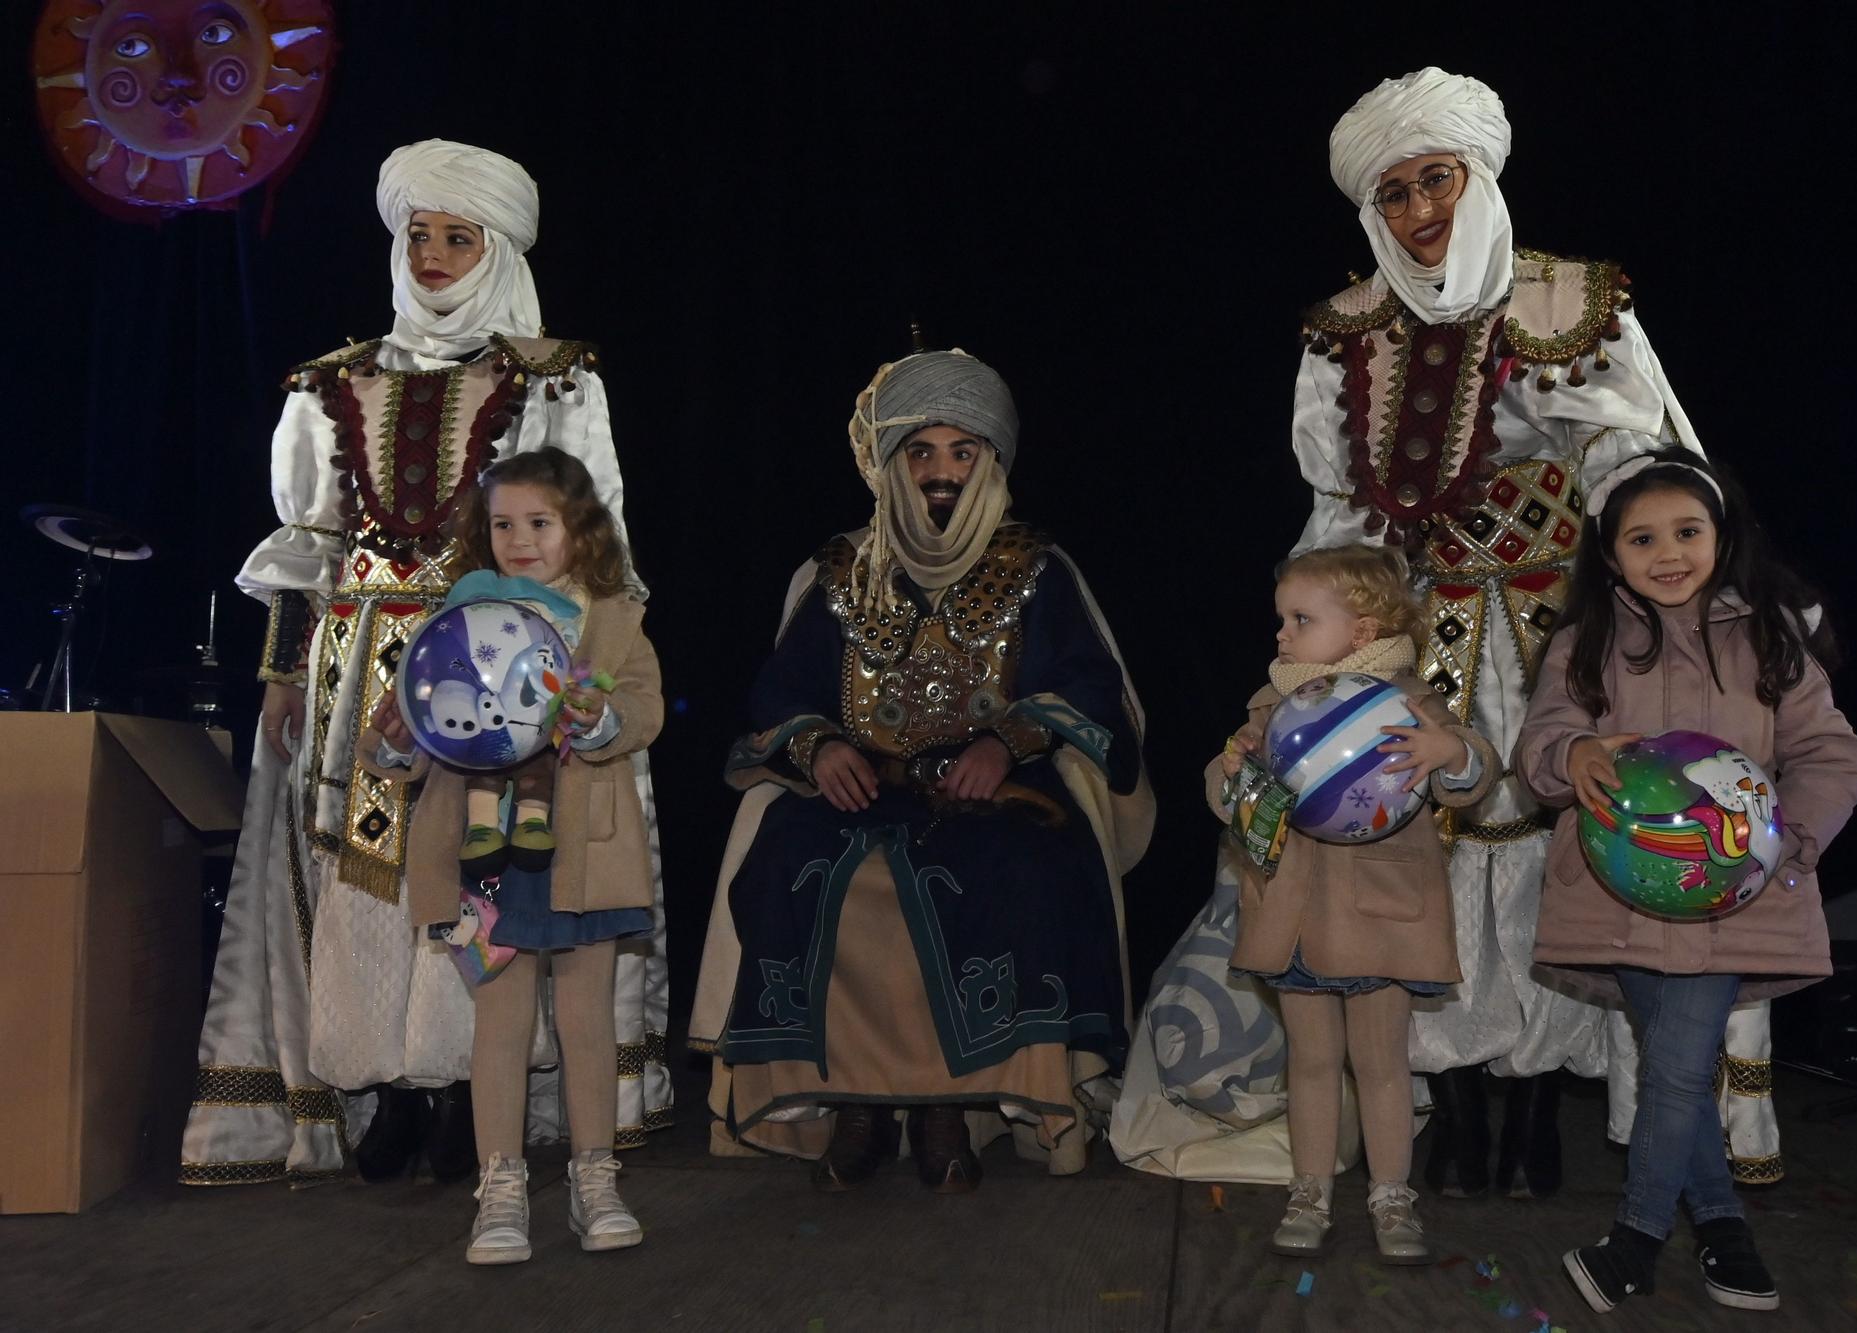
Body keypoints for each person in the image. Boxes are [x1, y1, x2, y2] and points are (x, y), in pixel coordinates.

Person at [182, 139, 671, 1190]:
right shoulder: (329, 384)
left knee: (471, 873)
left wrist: (576, 679)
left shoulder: (553, 381)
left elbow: (591, 543)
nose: (437, 253)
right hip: (356, 667)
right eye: (421, 235)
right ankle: (388, 1092)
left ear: (494, 250)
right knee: (363, 877)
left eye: (459, 236)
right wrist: (278, 673)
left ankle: (461, 1091)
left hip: (494, 666)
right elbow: (304, 546)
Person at [1287, 66, 1705, 1198]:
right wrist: (1319, 647)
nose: (1419, 213)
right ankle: (1453, 1101)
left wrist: (1662, 595)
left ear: (1477, 178)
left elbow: (1633, 462)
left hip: (1555, 633)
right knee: (1415, 865)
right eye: (1393, 197)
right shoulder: (1343, 333)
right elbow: (1338, 512)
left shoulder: (1568, 301)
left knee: (1547, 863)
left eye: (1435, 181)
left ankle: (1532, 1109)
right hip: (1410, 639)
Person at [688, 349, 1154, 1192]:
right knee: (794, 862)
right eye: (922, 452)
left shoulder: (1038, 568)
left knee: (1019, 868)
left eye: (961, 451)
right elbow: (777, 695)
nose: (941, 473)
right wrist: (820, 748)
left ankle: (951, 1108)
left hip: (997, 794)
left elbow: (1090, 687)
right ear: (893, 463)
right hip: (863, 788)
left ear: (993, 459)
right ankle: (854, 1106)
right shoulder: (838, 572)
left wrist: (1006, 741)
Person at [1515, 450, 1857, 1312]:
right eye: (1642, 538)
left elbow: (1832, 755)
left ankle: (1636, 1236)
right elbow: (1540, 752)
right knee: (1671, 1062)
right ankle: (1722, 1222)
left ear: (1722, 537)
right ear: (1609, 554)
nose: (1667, 552)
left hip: (1730, 897)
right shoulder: (1584, 643)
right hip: (1620, 894)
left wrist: (1787, 841)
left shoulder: (1773, 636)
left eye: (1686, 531)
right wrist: (1574, 753)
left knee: (1677, 1068)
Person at [363, 448, 660, 1264]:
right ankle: (501, 1188)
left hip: (585, 854)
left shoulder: (613, 616)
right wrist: (391, 743)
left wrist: (599, 720)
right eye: (503, 525)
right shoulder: (454, 619)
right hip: (484, 858)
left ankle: (594, 1177)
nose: (520, 540)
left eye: (540, 523)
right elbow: (414, 733)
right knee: (499, 1023)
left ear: (581, 529)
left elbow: (643, 710)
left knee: (585, 1021)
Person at [1211, 546, 1498, 1262]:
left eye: (1300, 618)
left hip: (1382, 917)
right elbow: (1230, 804)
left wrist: (1449, 753)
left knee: (1382, 1063)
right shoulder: (1270, 708)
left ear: (1362, 630)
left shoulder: (1409, 703)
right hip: (1296, 918)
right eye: (1282, 619)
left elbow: (1474, 771)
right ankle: (1309, 1189)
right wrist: (1229, 774)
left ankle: (1392, 1194)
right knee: (1310, 1061)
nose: (1281, 633)